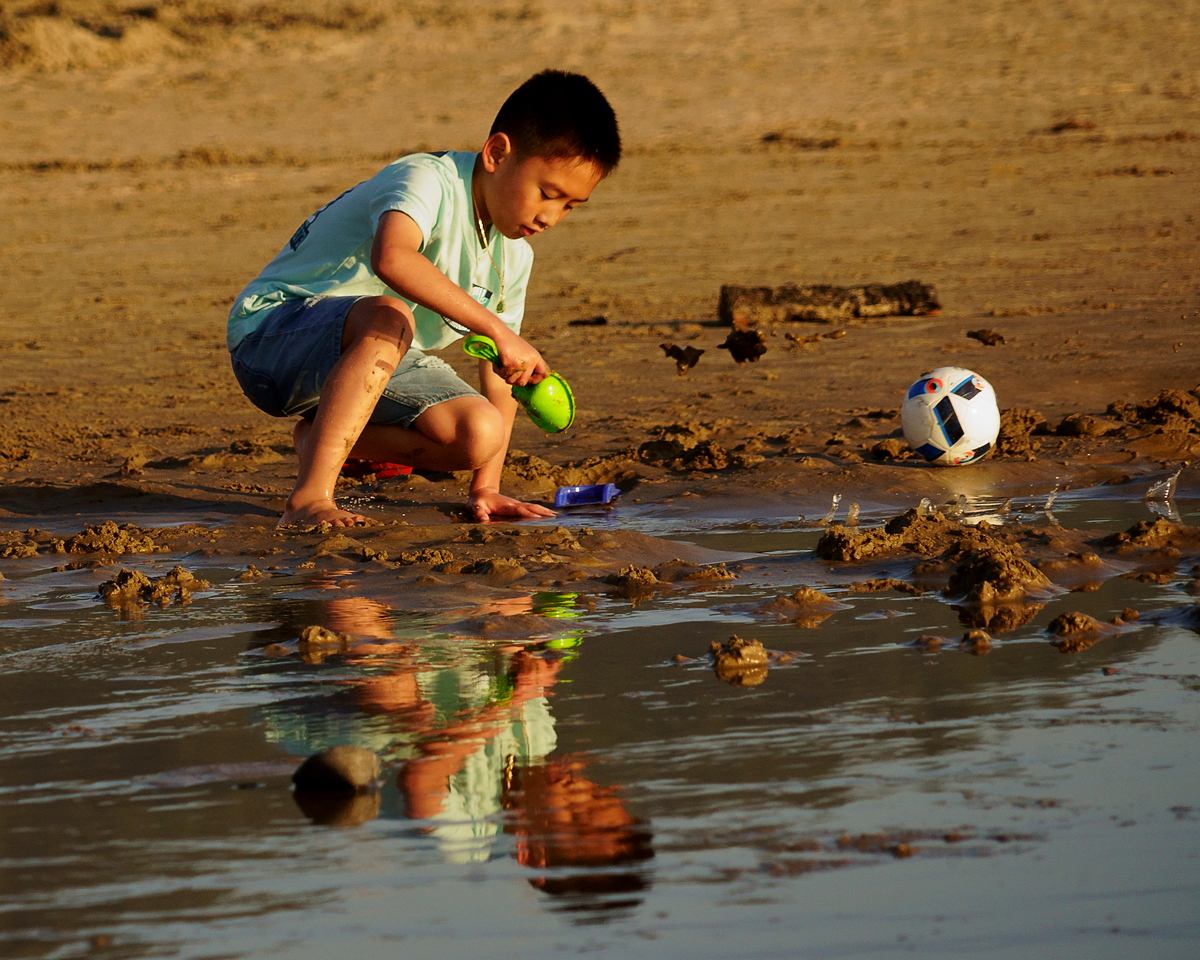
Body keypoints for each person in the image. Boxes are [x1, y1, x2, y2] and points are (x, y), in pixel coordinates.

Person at [227, 70, 621, 527]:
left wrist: (486, 487)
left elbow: (501, 372)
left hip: (371, 363)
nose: (552, 216)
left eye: (570, 205)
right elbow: (392, 259)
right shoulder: (428, 179)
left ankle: (317, 438)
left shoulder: (514, 256)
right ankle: (310, 497)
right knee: (391, 315)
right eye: (548, 194)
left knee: (481, 431)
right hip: (271, 338)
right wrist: (493, 327)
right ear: (496, 153)